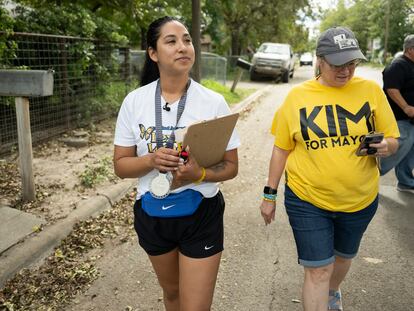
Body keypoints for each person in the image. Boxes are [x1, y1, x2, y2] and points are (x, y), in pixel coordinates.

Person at [259, 27, 399, 311]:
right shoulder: (297, 97)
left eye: (351, 62)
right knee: (318, 269)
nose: (346, 71)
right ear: (319, 60)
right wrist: (270, 195)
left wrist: (387, 146)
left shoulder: (371, 91)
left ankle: (333, 292)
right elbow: (281, 148)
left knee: (343, 258)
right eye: (337, 63)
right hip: (307, 199)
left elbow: (393, 139)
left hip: (360, 199)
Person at [113, 16, 240, 310]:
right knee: (172, 295)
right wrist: (151, 160)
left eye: (187, 40)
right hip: (152, 213)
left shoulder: (213, 102)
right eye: (171, 41)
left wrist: (199, 175)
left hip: (201, 214)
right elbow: (121, 166)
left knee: (194, 306)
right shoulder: (135, 101)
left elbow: (231, 167)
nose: (183, 47)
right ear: (153, 53)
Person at [380, 34, 414, 193]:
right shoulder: (398, 65)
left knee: (410, 150)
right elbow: (391, 89)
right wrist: (406, 107)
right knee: (396, 148)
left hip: (411, 119)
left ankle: (405, 182)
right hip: (400, 118)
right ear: (410, 49)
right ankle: (371, 174)